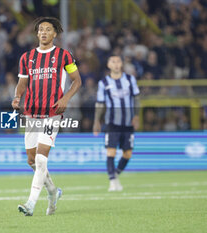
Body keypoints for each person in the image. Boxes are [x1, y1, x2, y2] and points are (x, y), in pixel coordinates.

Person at [12, 17, 82, 216]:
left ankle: (30, 204)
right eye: (40, 29)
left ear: (54, 34)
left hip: (52, 113)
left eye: (48, 29)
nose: (43, 32)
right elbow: (22, 82)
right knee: (32, 160)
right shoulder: (26, 58)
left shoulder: (63, 56)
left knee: (42, 159)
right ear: (37, 34)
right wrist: (17, 96)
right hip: (31, 114)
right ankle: (52, 192)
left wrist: (66, 98)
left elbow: (77, 81)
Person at [93, 55, 140, 192]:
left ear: (122, 64)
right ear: (108, 64)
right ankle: (112, 181)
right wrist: (96, 121)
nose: (116, 64)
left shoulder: (130, 80)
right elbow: (100, 103)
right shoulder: (104, 83)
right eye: (113, 61)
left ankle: (116, 174)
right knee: (111, 152)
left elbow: (136, 99)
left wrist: (136, 116)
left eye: (118, 61)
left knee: (128, 154)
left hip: (128, 123)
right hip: (112, 123)